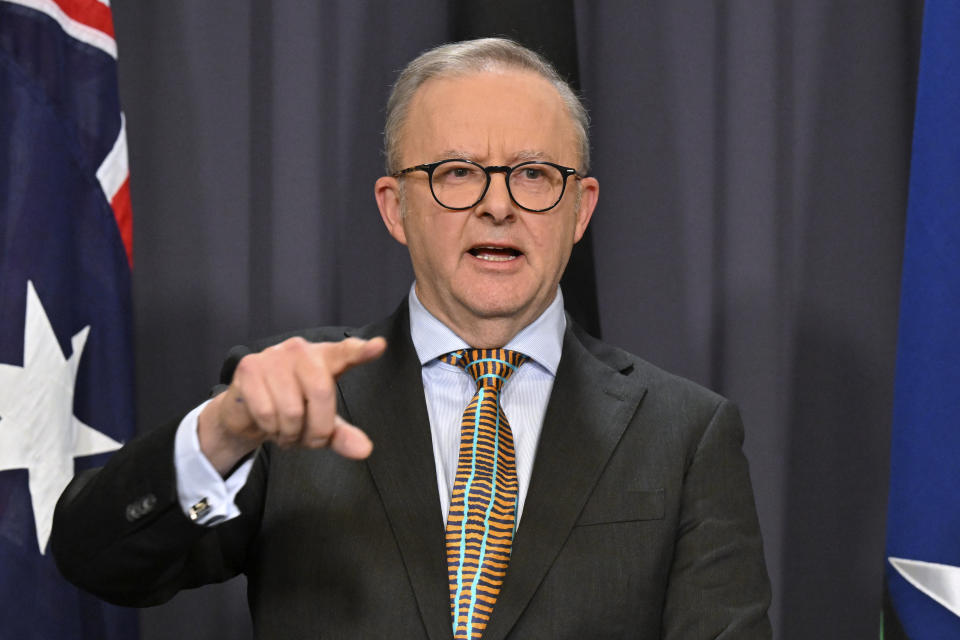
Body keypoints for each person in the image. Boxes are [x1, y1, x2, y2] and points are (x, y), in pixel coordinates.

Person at [52, 38, 772, 639]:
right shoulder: (293, 396)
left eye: (534, 174)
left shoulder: (684, 433)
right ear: (396, 207)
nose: (498, 205)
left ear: (580, 209)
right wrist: (223, 434)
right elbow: (97, 561)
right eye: (457, 173)